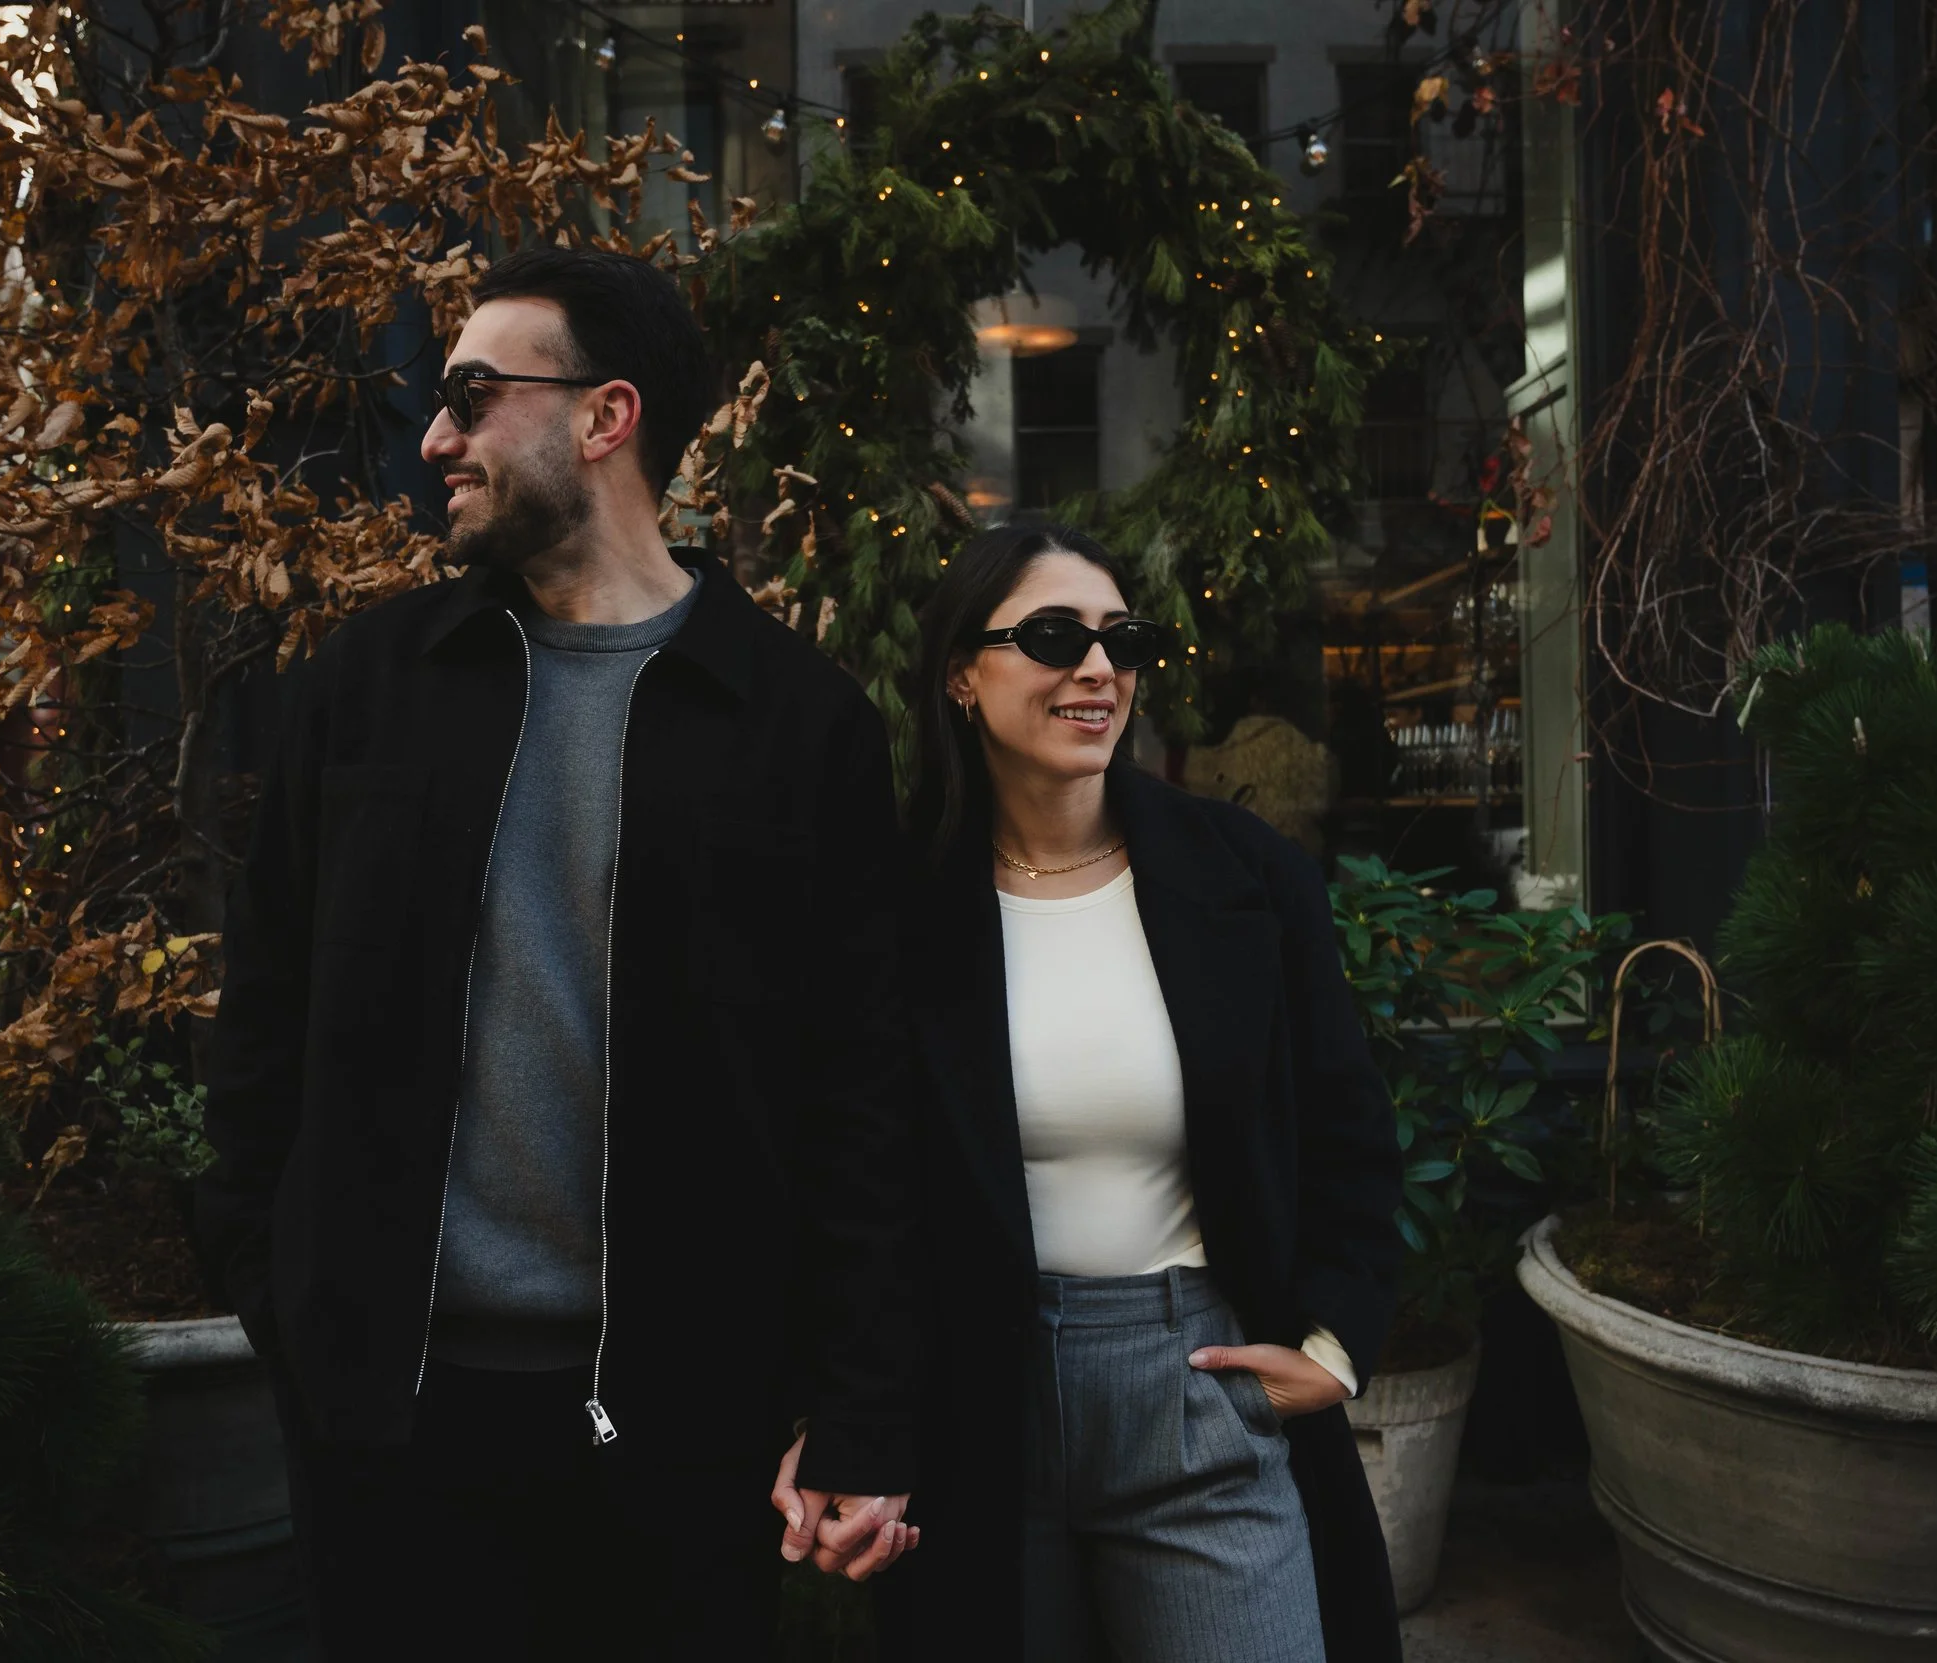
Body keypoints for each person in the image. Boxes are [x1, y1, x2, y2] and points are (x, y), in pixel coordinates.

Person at [197, 246, 919, 1660]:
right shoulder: (369, 684)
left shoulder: (796, 721)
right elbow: (264, 1014)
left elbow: (860, 1097)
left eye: (472, 395)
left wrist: (860, 1404)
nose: (435, 436)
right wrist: (279, 1290)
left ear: (606, 417)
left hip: (681, 1424)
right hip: (387, 1418)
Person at [882, 523, 1404, 1662]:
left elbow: (1346, 1122)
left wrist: (1334, 1339)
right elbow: (852, 1181)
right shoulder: (897, 901)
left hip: (1193, 1385)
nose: (1098, 669)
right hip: (974, 1400)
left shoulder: (1245, 874)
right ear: (962, 676)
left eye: (1122, 641)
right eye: (1056, 636)